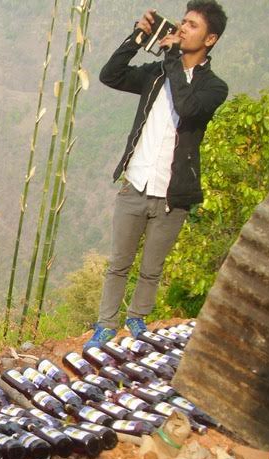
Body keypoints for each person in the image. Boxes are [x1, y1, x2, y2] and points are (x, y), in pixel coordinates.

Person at [85, 1, 228, 349]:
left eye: (192, 26)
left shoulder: (214, 87)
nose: (182, 28)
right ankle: (106, 325)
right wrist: (138, 37)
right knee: (118, 263)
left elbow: (187, 107)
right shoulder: (156, 74)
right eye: (182, 22)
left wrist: (172, 57)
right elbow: (110, 75)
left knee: (152, 267)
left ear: (210, 39)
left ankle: (137, 318)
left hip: (172, 193)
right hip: (136, 182)